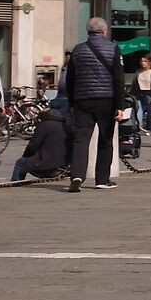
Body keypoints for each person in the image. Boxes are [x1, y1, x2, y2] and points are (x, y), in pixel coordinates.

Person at [62, 16, 128, 191]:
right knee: (106, 140)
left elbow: (70, 79)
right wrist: (120, 105)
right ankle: (102, 179)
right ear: (104, 31)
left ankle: (77, 175)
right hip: (107, 100)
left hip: (82, 100)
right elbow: (118, 79)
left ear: (88, 31)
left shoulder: (78, 50)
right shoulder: (113, 49)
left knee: (81, 139)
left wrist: (71, 101)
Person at [11, 94, 73, 182]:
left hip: (47, 166)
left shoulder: (44, 125)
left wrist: (26, 157)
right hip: (63, 167)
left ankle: (16, 183)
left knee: (20, 163)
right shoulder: (66, 126)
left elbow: (32, 146)